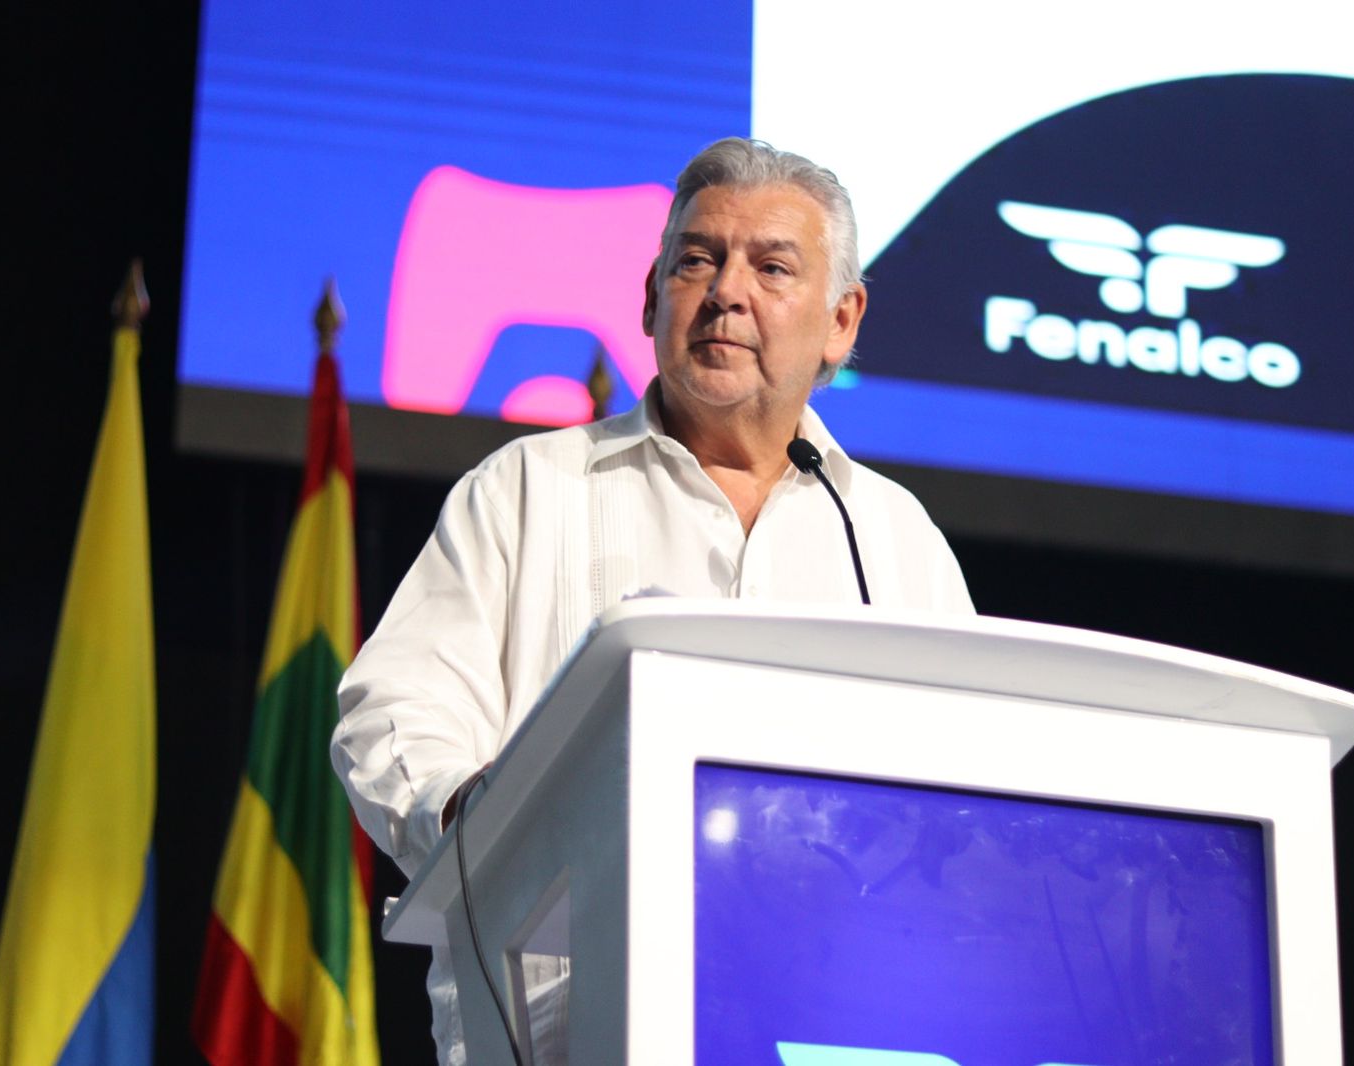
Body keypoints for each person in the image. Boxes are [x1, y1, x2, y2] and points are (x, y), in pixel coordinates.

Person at [332, 137, 975, 1064]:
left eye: (771, 267)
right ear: (649, 296)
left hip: (838, 1022)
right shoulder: (527, 489)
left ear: (841, 321)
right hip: (563, 1022)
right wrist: (481, 820)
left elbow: (960, 802)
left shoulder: (894, 538)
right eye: (697, 260)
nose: (725, 292)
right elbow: (391, 713)